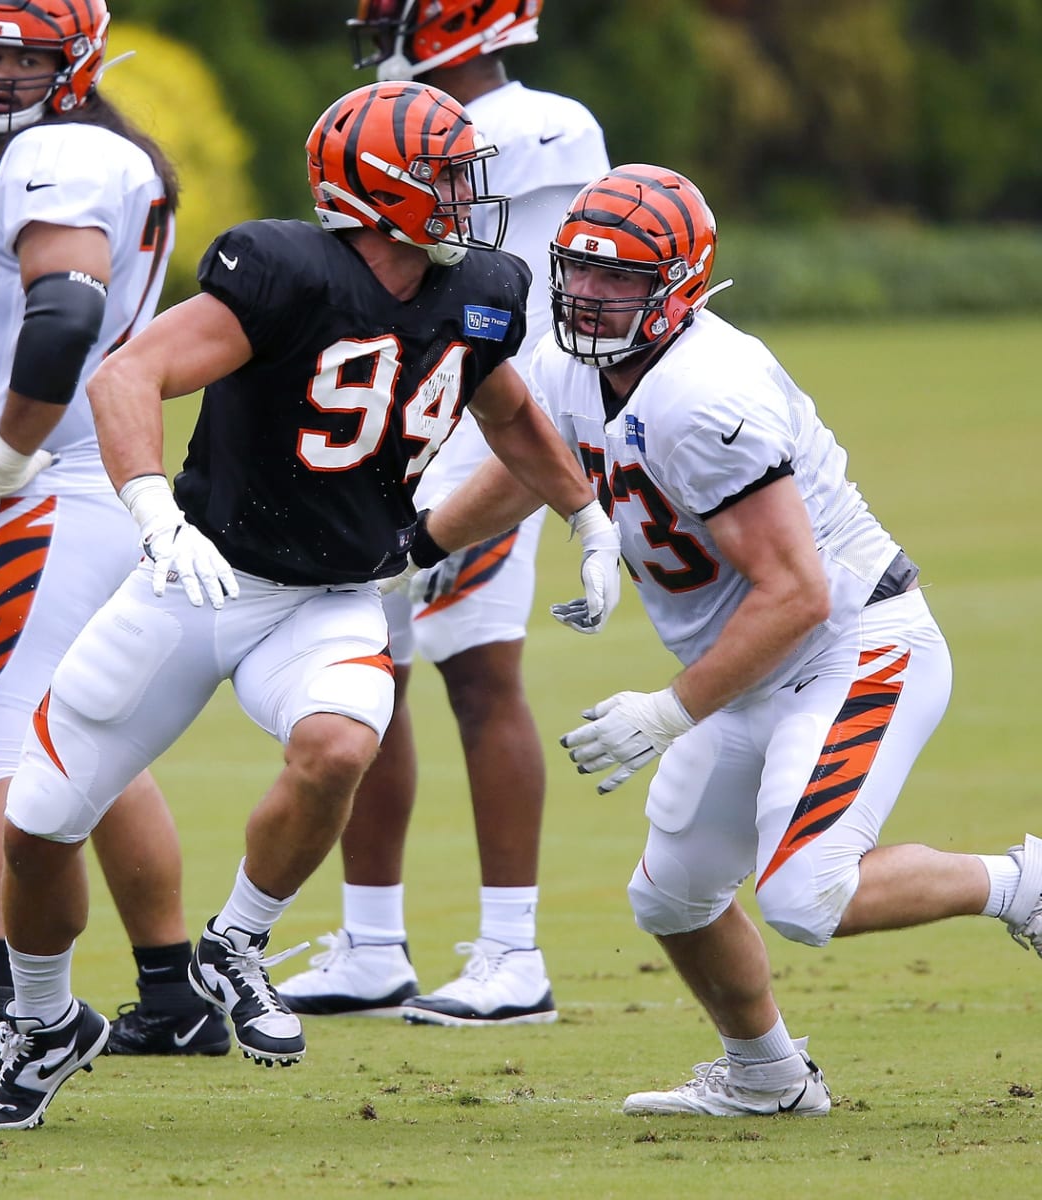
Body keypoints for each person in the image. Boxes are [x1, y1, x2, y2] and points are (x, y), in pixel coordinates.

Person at [0, 79, 621, 1131]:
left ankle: (237, 942)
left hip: (335, 598)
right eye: (444, 175)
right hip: (199, 580)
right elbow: (127, 378)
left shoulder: (480, 288)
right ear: (380, 188)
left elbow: (507, 407)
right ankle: (44, 1025)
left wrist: (586, 516)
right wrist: (151, 513)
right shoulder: (280, 272)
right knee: (37, 830)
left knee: (340, 746)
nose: (465, 196)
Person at [419, 163, 1042, 1116]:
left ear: (680, 285)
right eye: (581, 271)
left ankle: (1021, 883)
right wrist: (421, 545)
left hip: (851, 645)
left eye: (622, 278)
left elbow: (795, 592)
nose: (590, 295)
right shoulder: (572, 364)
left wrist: (665, 713)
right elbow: (534, 464)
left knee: (805, 898)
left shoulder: (705, 393)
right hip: (755, 665)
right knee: (672, 898)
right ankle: (766, 1076)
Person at [0, 0, 231, 1072]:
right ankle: (173, 992)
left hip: (45, 488)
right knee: (87, 744)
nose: (8, 74)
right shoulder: (77, 149)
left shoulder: (63, 152)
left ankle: (5, 1004)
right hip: (83, 483)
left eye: (32, 55)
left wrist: (14, 449)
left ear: (78, 61)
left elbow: (64, 314)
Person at [276, 0, 610, 1029]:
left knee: (480, 672)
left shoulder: (517, 129)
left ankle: (513, 952)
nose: (381, 29)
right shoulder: (552, 122)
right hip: (422, 419)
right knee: (371, 678)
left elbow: (482, 295)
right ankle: (373, 944)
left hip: (483, 425)